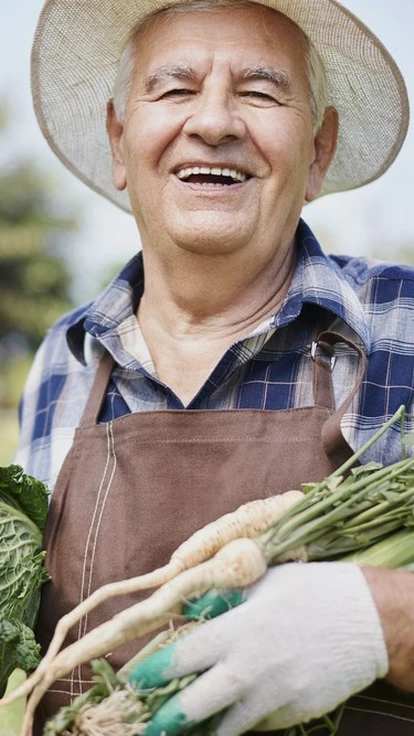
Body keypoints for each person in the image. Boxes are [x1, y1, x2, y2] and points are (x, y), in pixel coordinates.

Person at [15, 0, 414, 733]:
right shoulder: (60, 363)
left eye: (260, 92)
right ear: (118, 138)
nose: (215, 123)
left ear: (319, 151)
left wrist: (384, 620)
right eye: (174, 89)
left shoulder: (404, 326)